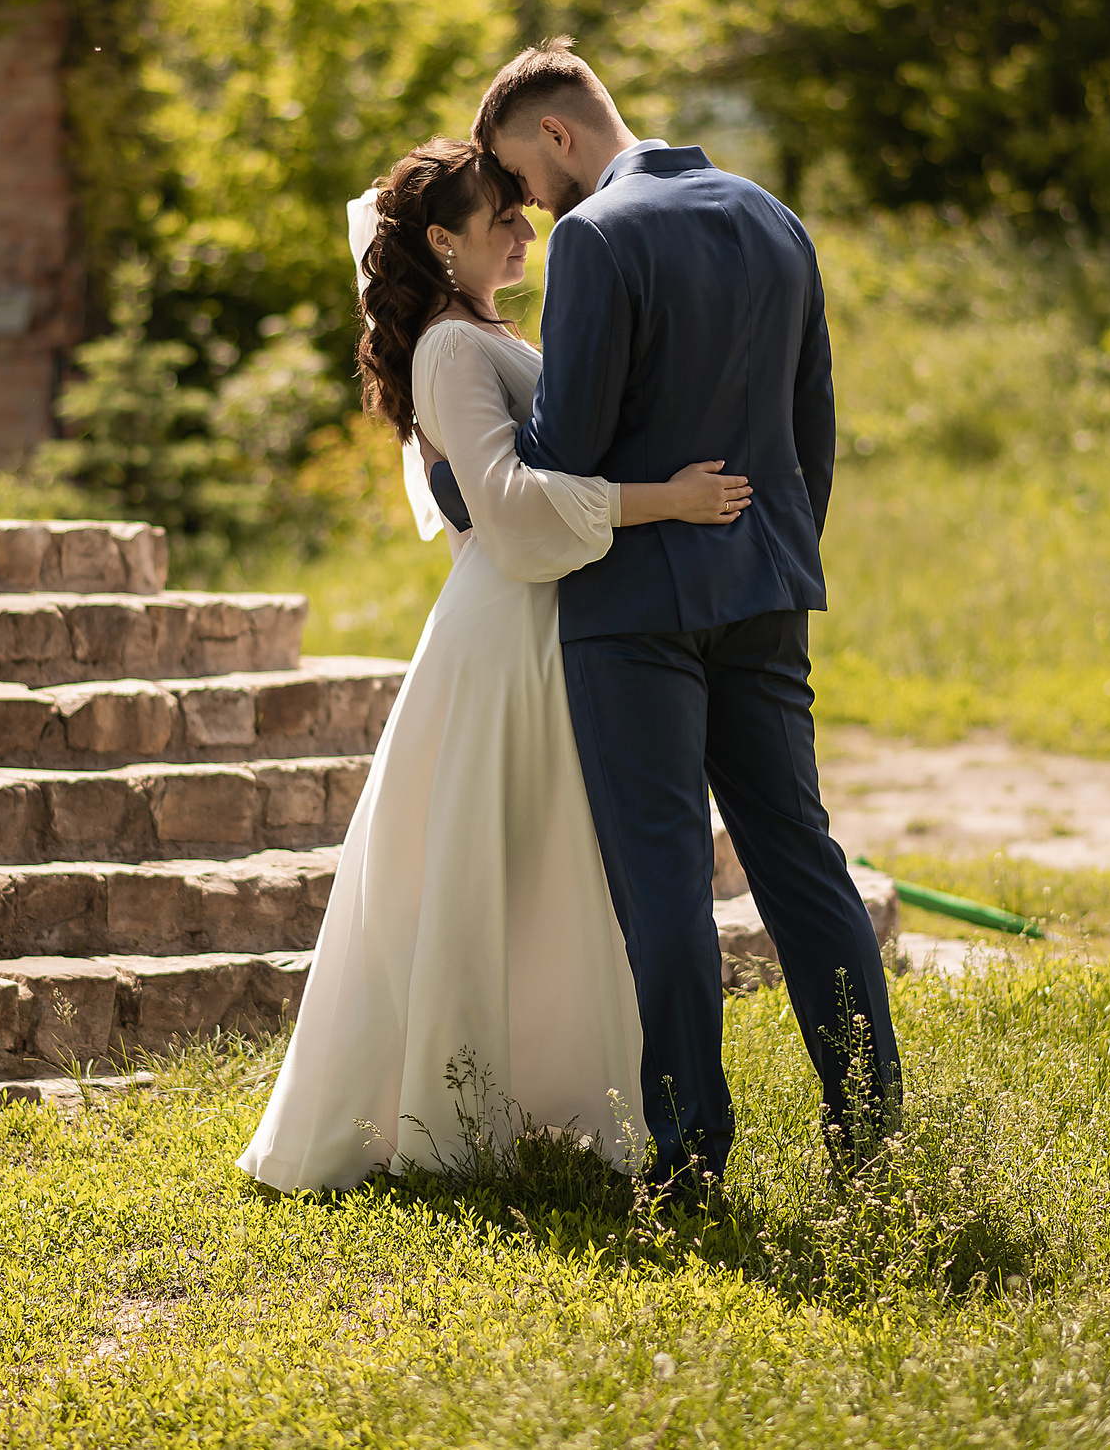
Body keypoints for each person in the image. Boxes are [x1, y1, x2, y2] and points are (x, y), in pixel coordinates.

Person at [237, 137, 754, 1192]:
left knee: (543, 860)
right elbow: (507, 507)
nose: (525, 231)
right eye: (502, 218)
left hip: (549, 617)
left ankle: (553, 1096)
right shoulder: (447, 350)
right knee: (480, 864)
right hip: (506, 628)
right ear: (443, 241)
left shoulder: (485, 332)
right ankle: (454, 1113)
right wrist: (666, 500)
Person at [432, 39, 902, 1193]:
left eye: (522, 173)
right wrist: (775, 557)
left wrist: (457, 475)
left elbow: (568, 447)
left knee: (665, 884)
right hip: (766, 587)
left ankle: (691, 1160)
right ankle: (871, 1131)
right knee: (802, 859)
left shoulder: (599, 236)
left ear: (556, 133)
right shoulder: (774, 218)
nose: (530, 203)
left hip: (633, 609)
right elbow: (811, 425)